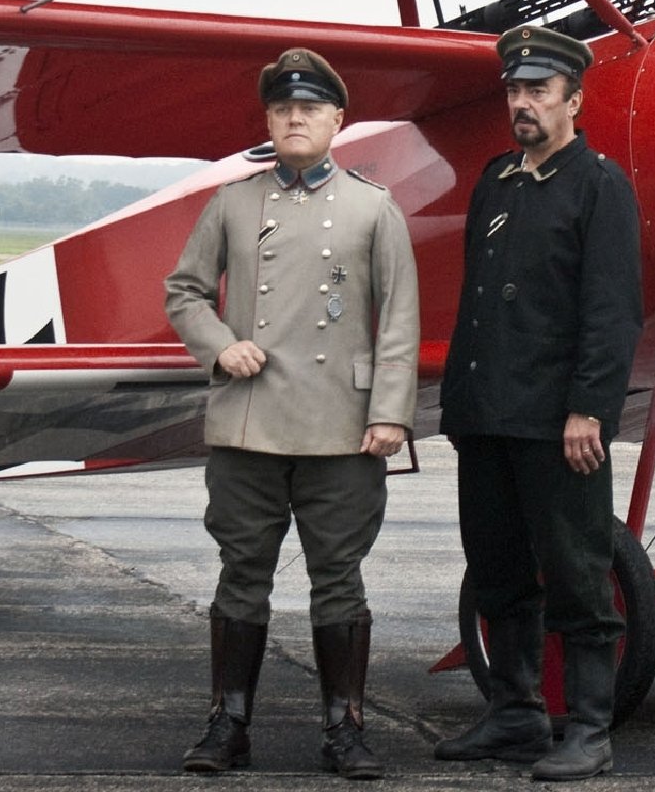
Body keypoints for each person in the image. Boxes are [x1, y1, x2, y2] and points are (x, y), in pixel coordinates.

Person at [165, 47, 420, 780]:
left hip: (341, 427)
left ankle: (346, 729)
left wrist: (391, 414)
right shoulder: (233, 203)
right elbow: (183, 291)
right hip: (249, 422)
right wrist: (219, 346)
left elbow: (399, 318)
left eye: (310, 108)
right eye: (283, 109)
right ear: (269, 121)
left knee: (339, 576)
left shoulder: (375, 208)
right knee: (242, 573)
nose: (296, 117)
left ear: (338, 121)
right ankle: (228, 725)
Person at [433, 24, 643, 782]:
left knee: (579, 573)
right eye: (515, 91)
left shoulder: (600, 185)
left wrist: (590, 407)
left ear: (573, 101)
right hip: (487, 414)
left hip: (559, 424)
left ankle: (589, 726)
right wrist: (461, 406)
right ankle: (516, 714)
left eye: (539, 92)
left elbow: (612, 310)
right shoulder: (498, 180)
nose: (522, 104)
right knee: (497, 571)